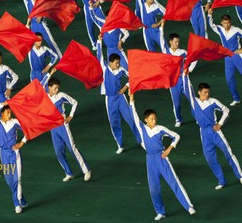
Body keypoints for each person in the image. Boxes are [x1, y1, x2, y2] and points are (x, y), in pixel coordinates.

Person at [128, 91, 196, 220]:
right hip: (150, 160)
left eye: (155, 118)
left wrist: (170, 148)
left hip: (162, 158)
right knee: (154, 188)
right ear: (146, 120)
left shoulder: (161, 129)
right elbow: (133, 115)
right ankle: (160, 212)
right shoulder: (142, 128)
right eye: (152, 119)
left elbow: (176, 136)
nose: (154, 120)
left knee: (174, 182)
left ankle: (189, 206)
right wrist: (131, 100)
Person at [182, 75, 242, 189]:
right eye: (204, 92)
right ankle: (221, 181)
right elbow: (187, 88)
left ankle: (240, 176)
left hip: (215, 132)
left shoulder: (213, 101)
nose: (207, 94)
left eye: (208, 92)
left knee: (228, 153)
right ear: (199, 92)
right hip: (204, 134)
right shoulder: (194, 102)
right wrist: (185, 75)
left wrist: (220, 123)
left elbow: (226, 110)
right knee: (210, 158)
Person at [96, 37, 141, 153]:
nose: (118, 65)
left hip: (121, 98)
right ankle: (120, 145)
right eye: (116, 63)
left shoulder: (121, 69)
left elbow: (132, 76)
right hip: (110, 100)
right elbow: (99, 54)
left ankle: (140, 140)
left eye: (118, 63)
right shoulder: (105, 68)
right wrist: (99, 41)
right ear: (110, 62)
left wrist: (125, 87)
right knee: (114, 123)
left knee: (131, 118)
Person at [47, 77, 92, 182]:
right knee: (58, 152)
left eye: (58, 88)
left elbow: (75, 102)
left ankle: (86, 170)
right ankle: (68, 173)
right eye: (55, 88)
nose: (57, 90)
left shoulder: (61, 96)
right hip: (52, 127)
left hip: (63, 125)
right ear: (49, 88)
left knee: (72, 148)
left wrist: (71, 116)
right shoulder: (45, 97)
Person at [0, 102, 28, 214]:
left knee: (17, 179)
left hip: (14, 153)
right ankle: (21, 199)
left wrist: (22, 143)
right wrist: (1, 105)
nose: (9, 115)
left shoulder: (15, 122)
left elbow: (27, 129)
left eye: (10, 113)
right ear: (2, 113)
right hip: (3, 154)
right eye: (7, 113)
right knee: (9, 180)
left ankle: (16, 203)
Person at [208, 11, 242, 105]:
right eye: (225, 23)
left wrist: (241, 50)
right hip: (227, 57)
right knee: (229, 79)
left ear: (230, 22)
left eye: (228, 23)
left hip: (237, 56)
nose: (227, 25)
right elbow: (211, 24)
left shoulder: (236, 30)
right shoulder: (220, 29)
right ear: (222, 23)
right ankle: (236, 98)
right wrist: (209, 14)